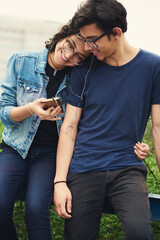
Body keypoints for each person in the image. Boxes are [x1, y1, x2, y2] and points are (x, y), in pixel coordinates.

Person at [53, 0, 160, 239]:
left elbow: (159, 130)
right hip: (84, 169)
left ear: (116, 33)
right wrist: (60, 182)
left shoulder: (153, 66)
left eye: (92, 40)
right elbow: (69, 126)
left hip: (127, 170)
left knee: (140, 233)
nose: (88, 47)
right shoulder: (83, 70)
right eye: (84, 40)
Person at [0, 22, 90, 240]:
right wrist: (30, 109)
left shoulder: (77, 80)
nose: (69, 56)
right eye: (69, 45)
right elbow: (4, 112)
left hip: (50, 154)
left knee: (36, 209)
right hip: (15, 149)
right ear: (62, 35)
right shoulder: (22, 61)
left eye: (78, 56)